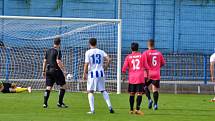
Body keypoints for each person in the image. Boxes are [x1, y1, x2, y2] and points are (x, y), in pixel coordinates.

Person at [83, 38, 114, 114]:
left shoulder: (88, 52)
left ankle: (92, 110)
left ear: (89, 44)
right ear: (96, 43)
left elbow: (86, 63)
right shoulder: (101, 51)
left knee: (90, 91)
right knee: (103, 90)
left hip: (92, 74)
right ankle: (110, 106)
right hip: (101, 73)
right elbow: (109, 59)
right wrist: (106, 67)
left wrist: (84, 73)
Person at [122, 42, 148, 115]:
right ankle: (137, 109)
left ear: (131, 48)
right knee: (139, 94)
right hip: (140, 77)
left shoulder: (128, 57)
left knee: (132, 94)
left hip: (132, 78)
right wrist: (148, 76)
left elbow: (124, 68)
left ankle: (131, 110)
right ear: (138, 48)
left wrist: (123, 76)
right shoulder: (142, 56)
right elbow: (146, 67)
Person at [42, 37, 68, 108]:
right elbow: (58, 61)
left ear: (54, 43)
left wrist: (43, 71)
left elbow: (44, 61)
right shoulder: (58, 51)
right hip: (56, 70)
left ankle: (45, 103)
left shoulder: (48, 50)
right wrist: (64, 70)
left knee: (48, 87)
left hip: (48, 70)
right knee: (64, 86)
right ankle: (60, 103)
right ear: (59, 43)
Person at [143, 39, 165, 110]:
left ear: (148, 45)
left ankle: (149, 99)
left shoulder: (145, 53)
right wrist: (157, 67)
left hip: (148, 74)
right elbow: (163, 63)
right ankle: (155, 104)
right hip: (156, 74)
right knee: (155, 90)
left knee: (144, 86)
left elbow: (143, 64)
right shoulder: (159, 53)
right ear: (154, 44)